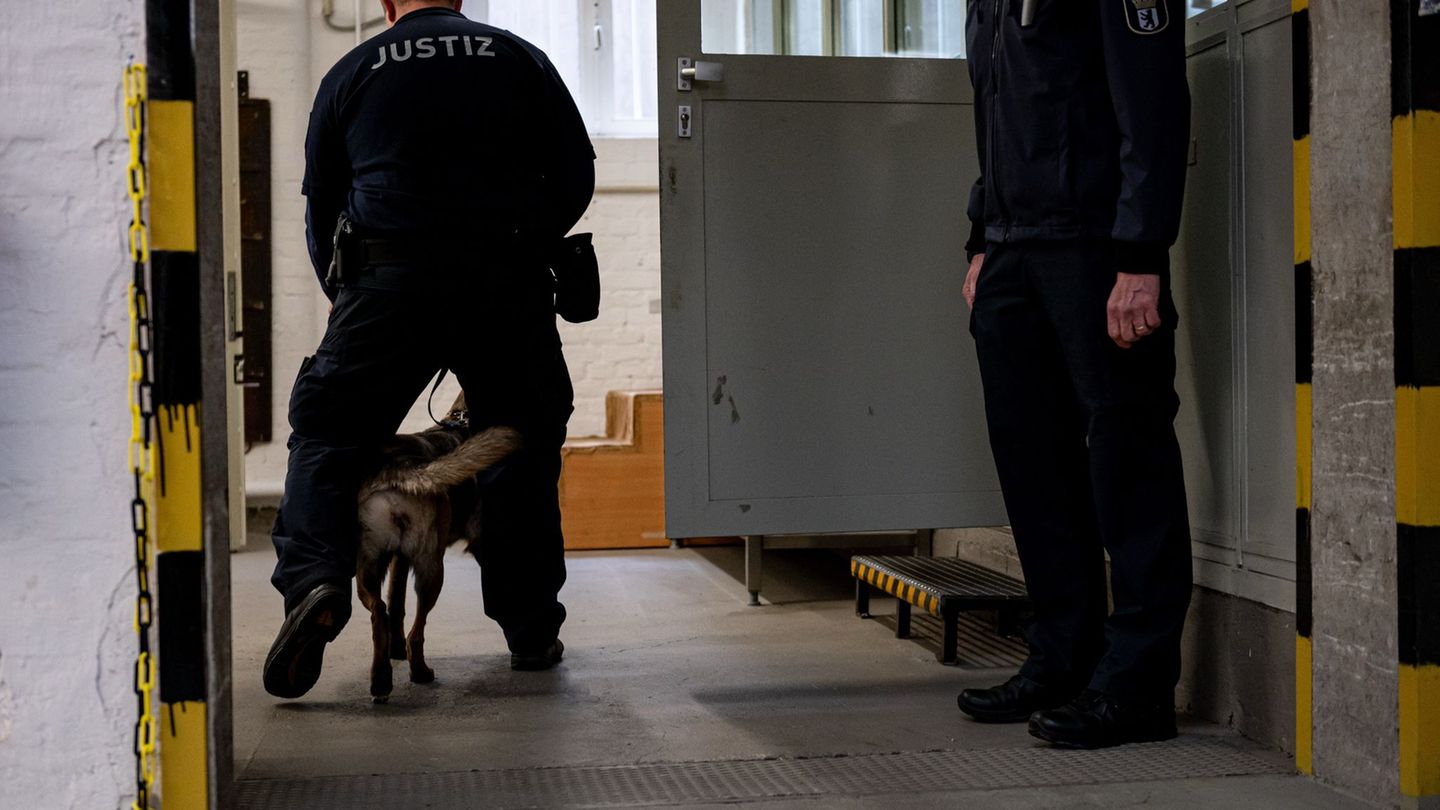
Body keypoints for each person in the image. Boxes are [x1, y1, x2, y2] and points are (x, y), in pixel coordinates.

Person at [263, 0, 595, 699]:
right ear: (462, 0)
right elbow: (574, 175)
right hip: (504, 282)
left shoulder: (352, 70)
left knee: (326, 433)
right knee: (518, 442)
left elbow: (322, 203)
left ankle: (314, 585)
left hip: (388, 281)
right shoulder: (519, 57)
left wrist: (344, 289)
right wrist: (521, 238)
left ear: (386, 6)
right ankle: (530, 628)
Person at [954, 0, 1193, 749]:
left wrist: (1142, 254)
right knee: (1033, 465)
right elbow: (996, 112)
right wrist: (982, 233)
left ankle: (1137, 686)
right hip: (1012, 248)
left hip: (1096, 248)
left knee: (1130, 459)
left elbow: (1152, 102)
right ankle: (1062, 657)